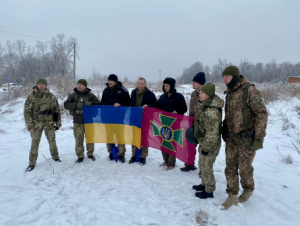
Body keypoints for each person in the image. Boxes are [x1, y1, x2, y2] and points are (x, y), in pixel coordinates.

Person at [221, 66, 268, 210]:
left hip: (247, 138)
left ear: (235, 77)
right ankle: (232, 194)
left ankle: (248, 189)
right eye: (223, 77)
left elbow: (261, 114)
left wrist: (259, 137)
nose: (224, 80)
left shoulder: (249, 91)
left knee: (244, 167)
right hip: (231, 138)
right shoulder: (229, 92)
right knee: (230, 167)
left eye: (227, 77)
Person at [190, 83, 224, 199]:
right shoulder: (205, 106)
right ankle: (204, 184)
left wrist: (206, 148)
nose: (200, 94)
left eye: (202, 93)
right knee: (202, 164)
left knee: (207, 167)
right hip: (204, 141)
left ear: (209, 95)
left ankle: (209, 190)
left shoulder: (212, 112)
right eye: (200, 92)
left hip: (210, 144)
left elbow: (212, 133)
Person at [24, 78, 61, 171]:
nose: (41, 85)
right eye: (39, 84)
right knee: (35, 143)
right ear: (37, 85)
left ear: (46, 85)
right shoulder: (31, 97)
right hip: (36, 124)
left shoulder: (51, 97)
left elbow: (57, 110)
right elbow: (27, 113)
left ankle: (55, 157)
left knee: (52, 141)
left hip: (49, 123)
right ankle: (32, 162)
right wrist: (30, 126)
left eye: (43, 84)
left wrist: (58, 123)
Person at [64, 79, 100, 163]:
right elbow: (66, 105)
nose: (79, 86)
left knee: (90, 139)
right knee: (79, 139)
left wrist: (91, 103)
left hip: (89, 122)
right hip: (77, 121)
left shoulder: (90, 95)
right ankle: (80, 156)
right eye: (78, 84)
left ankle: (90, 154)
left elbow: (98, 103)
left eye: (81, 84)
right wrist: (76, 105)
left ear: (85, 86)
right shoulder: (73, 95)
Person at [157, 77, 187, 170]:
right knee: (164, 142)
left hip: (174, 124)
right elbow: (157, 107)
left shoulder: (179, 97)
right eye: (164, 85)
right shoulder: (162, 97)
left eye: (167, 86)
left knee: (172, 143)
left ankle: (171, 163)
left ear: (172, 86)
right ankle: (165, 161)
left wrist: (177, 111)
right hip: (164, 123)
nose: (165, 87)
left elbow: (184, 108)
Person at [100, 74, 131, 163]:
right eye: (109, 80)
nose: (109, 82)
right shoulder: (105, 90)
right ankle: (111, 152)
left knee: (120, 136)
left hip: (119, 118)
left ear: (115, 81)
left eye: (111, 81)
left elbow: (128, 102)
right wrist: (102, 117)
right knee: (109, 136)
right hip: (108, 118)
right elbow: (102, 104)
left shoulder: (123, 90)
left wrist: (120, 104)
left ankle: (121, 154)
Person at [181, 72, 206, 173]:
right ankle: (189, 164)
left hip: (203, 124)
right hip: (192, 122)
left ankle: (204, 169)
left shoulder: (206, 93)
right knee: (190, 143)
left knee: (203, 147)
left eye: (195, 82)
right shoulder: (193, 94)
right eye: (192, 82)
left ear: (200, 83)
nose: (192, 84)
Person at [129, 77, 157, 165]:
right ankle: (133, 155)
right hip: (135, 118)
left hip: (145, 119)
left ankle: (143, 156)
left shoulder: (150, 94)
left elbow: (155, 105)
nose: (140, 85)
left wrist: (148, 105)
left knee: (144, 137)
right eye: (138, 83)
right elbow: (130, 104)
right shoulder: (133, 93)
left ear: (145, 84)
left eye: (142, 84)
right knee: (134, 137)